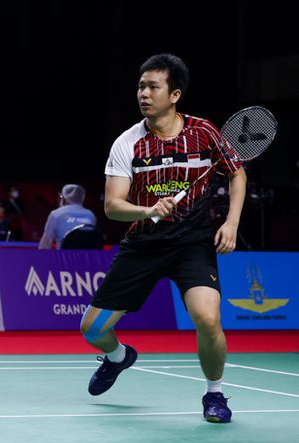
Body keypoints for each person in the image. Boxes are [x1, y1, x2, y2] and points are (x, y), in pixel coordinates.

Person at [79, 53, 246, 423]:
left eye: (153, 86)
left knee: (207, 317)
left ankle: (214, 394)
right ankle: (119, 357)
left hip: (193, 244)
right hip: (144, 245)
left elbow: (236, 173)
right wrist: (148, 210)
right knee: (92, 329)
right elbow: (112, 205)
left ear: (174, 94)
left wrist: (231, 223)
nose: (143, 93)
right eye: (140, 86)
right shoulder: (128, 143)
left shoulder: (204, 133)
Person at [38, 184, 97, 249]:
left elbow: (45, 244)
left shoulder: (56, 214)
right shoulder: (91, 215)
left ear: (64, 199)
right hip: (88, 258)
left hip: (63, 258)